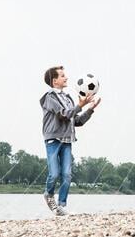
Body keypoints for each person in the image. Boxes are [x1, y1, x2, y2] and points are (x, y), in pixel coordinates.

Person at [40, 66, 101, 216]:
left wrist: (90, 109)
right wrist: (80, 105)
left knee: (67, 175)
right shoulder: (49, 98)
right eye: (62, 76)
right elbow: (63, 115)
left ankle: (61, 206)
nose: (66, 78)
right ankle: (48, 194)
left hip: (67, 141)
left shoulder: (68, 98)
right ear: (55, 81)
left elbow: (77, 121)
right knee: (54, 174)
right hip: (53, 140)